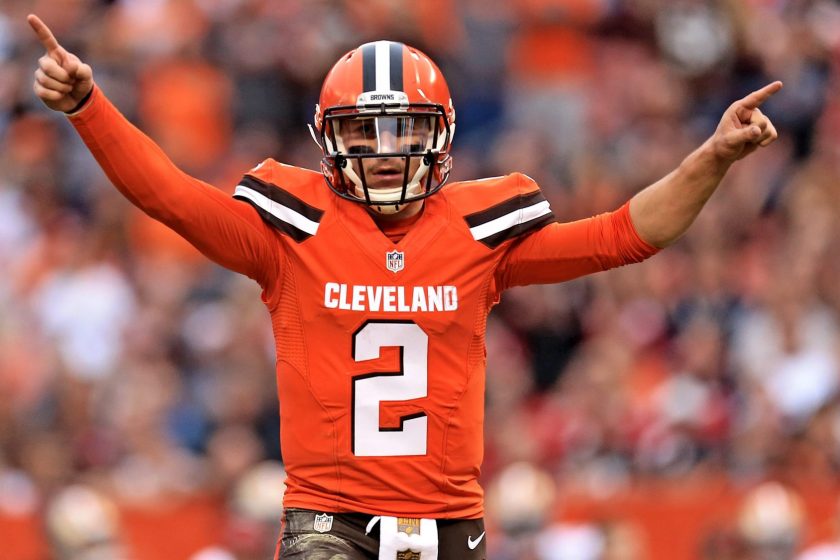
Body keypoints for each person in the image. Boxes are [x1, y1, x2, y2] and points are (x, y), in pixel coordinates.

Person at [27, 12, 781, 560]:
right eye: (365, 133)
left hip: (451, 522)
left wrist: (711, 157)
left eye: (405, 131)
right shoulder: (290, 237)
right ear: (329, 140)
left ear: (442, 135)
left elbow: (624, 234)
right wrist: (88, 108)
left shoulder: (478, 240)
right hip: (330, 521)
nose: (387, 154)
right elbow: (167, 194)